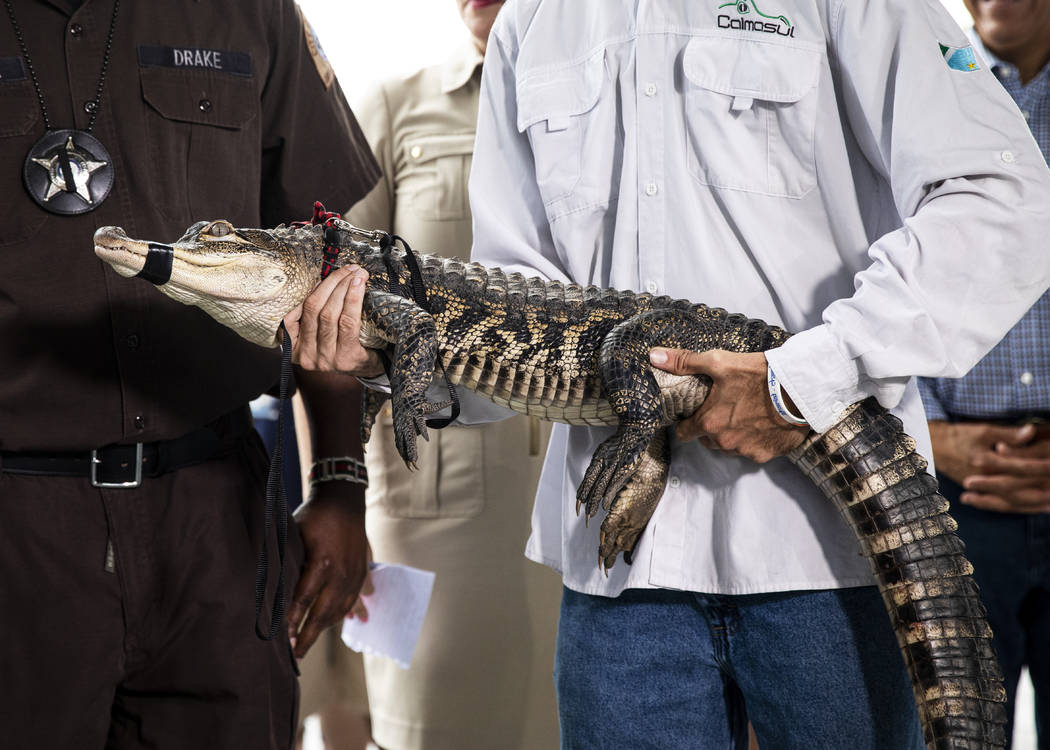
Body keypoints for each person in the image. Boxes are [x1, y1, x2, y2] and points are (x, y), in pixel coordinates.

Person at [286, 0, 1050, 747]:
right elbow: (519, 293)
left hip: (819, 556)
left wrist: (802, 379)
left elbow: (1008, 199)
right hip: (619, 574)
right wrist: (395, 359)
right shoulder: (533, 19)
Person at [0, 1, 377, 747]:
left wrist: (340, 482)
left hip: (215, 517)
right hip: (19, 529)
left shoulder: (249, 11)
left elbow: (329, 261)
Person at [295, 1, 562, 748]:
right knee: (435, 728)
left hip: (591, 490)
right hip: (435, 506)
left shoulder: (611, 106)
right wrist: (336, 490)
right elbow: (328, 319)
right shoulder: (391, 104)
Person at [917, 0, 1050, 745]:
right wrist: (928, 434)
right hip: (947, 491)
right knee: (959, 728)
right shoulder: (922, 90)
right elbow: (864, 259)